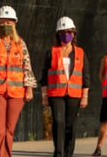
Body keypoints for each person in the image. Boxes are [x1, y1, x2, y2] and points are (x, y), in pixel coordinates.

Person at [0, 5, 37, 157]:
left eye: (9, 22)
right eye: (2, 22)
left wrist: (29, 88)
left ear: (14, 24)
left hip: (16, 93)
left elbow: (27, 67)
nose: (6, 25)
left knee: (9, 130)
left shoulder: (20, 44)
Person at [40, 16, 90, 157]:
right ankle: (59, 153)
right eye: (62, 32)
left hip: (74, 94)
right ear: (58, 34)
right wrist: (44, 97)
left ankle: (69, 153)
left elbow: (86, 76)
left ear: (73, 33)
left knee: (70, 125)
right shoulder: (51, 52)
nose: (66, 35)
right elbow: (44, 77)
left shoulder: (80, 52)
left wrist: (84, 96)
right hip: (56, 94)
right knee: (58, 122)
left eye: (69, 31)